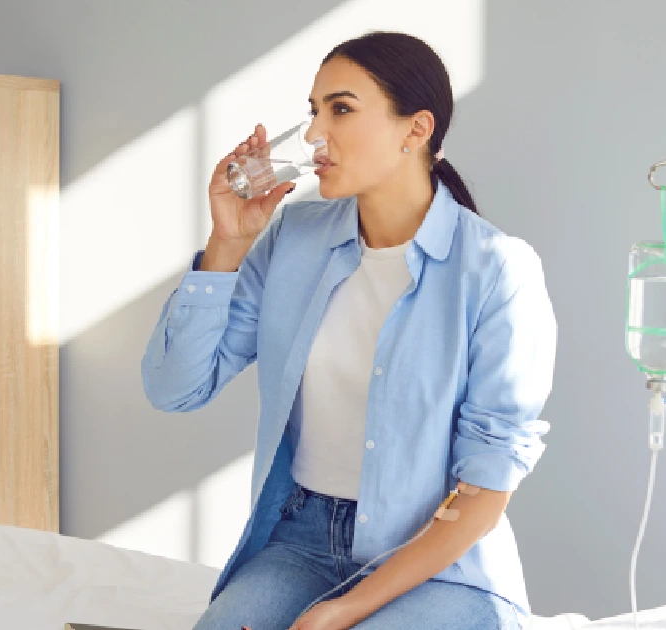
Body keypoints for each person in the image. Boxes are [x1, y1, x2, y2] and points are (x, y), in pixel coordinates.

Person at [142, 31, 557, 630]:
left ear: (416, 129)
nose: (314, 133)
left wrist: (342, 613)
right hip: (302, 542)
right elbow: (175, 389)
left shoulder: (497, 268)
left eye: (340, 109)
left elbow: (483, 491)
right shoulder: (293, 238)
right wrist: (227, 244)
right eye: (314, 111)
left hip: (439, 562)